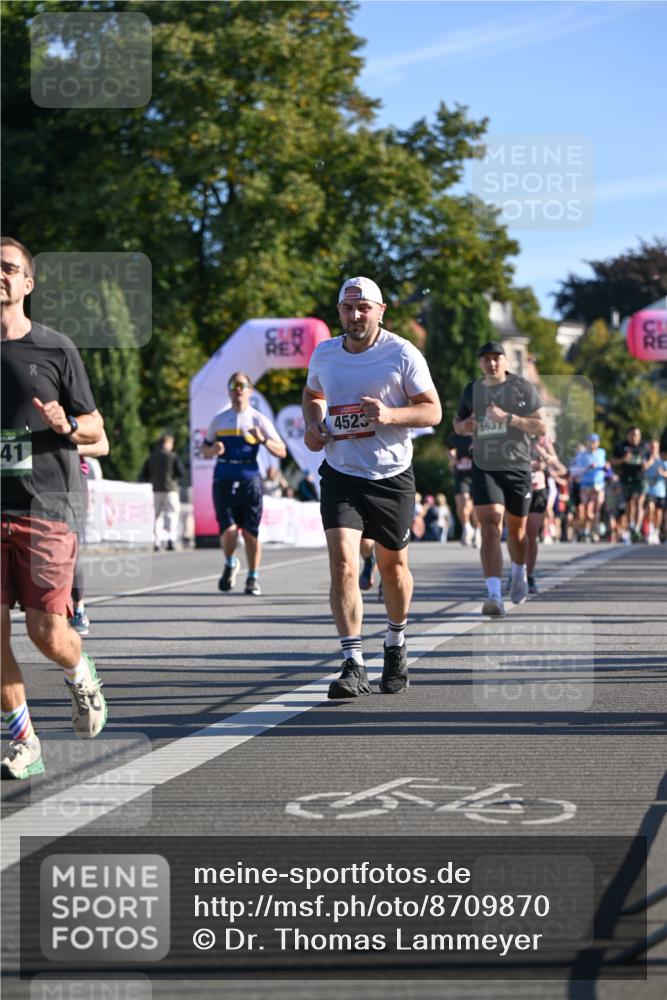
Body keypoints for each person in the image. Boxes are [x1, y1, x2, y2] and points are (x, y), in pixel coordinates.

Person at [303, 275, 441, 697]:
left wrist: (391, 416)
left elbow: (432, 411)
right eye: (348, 308)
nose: (355, 315)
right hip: (341, 473)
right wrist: (313, 425)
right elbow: (312, 395)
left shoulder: (401, 353)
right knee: (343, 564)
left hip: (390, 476)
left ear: (381, 312)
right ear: (340, 311)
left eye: (364, 308)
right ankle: (352, 663)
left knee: (392, 569)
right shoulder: (325, 353)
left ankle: (396, 642)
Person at [1, 237, 108, 779]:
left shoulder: (54, 348)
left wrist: (67, 426)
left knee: (47, 632)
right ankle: (24, 741)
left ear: (27, 283)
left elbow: (96, 429)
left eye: (8, 268)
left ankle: (79, 670)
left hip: (45, 506)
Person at [453, 340, 546, 617]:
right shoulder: (472, 390)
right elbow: (457, 422)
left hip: (517, 465)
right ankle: (494, 595)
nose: (492, 363)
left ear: (505, 362)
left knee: (517, 532)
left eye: (497, 358)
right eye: (486, 359)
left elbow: (540, 424)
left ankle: (518, 573)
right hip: (485, 465)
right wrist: (465, 426)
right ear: (480, 363)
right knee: (490, 525)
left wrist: (510, 419)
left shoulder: (521, 387)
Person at [201, 371, 286, 596]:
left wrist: (263, 439)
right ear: (229, 390)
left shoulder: (258, 419)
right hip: (223, 478)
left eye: (242, 385)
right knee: (228, 531)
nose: (238, 389)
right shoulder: (219, 419)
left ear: (249, 390)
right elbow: (204, 448)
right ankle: (230, 562)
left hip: (250, 479)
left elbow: (282, 451)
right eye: (233, 385)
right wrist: (213, 450)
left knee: (250, 533)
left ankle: (253, 577)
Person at [70, 432, 110, 635]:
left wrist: (62, 448)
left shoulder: (72, 404)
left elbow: (102, 445)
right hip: (27, 481)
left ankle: (78, 608)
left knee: (70, 545)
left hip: (70, 483)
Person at [525, 436, 566, 593]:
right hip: (517, 486)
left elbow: (554, 461)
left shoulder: (542, 439)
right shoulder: (513, 430)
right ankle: (517, 569)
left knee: (532, 534)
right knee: (518, 534)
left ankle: (529, 575)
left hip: (538, 489)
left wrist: (543, 456)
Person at [140, 433, 185, 551]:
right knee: (171, 514)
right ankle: (171, 539)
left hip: (156, 489)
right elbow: (181, 473)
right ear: (168, 443)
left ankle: (157, 541)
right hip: (171, 490)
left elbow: (145, 474)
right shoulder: (173, 456)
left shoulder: (152, 457)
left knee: (157, 516)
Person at [611, 427, 647, 542]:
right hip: (626, 479)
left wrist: (646, 464)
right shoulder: (621, 446)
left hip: (640, 479)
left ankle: (637, 527)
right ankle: (631, 526)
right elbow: (612, 461)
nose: (634, 437)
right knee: (630, 504)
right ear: (628, 435)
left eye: (637, 435)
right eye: (632, 435)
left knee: (639, 503)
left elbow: (651, 459)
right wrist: (623, 459)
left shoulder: (644, 447)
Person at [447, 432, 478, 545]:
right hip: (461, 474)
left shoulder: (478, 433)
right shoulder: (455, 436)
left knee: (475, 506)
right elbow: (449, 448)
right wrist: (453, 458)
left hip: (476, 474)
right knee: (462, 502)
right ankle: (467, 527)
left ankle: (478, 531)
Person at [579, 433, 607, 542]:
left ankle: (595, 531)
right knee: (587, 510)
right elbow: (579, 468)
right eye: (590, 441)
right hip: (586, 484)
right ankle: (586, 530)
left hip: (598, 484)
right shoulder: (582, 455)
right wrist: (588, 467)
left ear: (598, 442)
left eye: (594, 441)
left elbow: (603, 464)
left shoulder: (601, 452)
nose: (592, 444)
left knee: (597, 508)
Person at [643, 439, 667, 544]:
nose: (653, 448)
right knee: (650, 509)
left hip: (661, 491)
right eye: (651, 446)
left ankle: (656, 532)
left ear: (658, 447)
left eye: (655, 446)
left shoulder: (663, 460)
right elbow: (643, 468)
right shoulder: (646, 458)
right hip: (649, 490)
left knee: (658, 513)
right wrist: (650, 461)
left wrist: (662, 473)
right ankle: (651, 529)